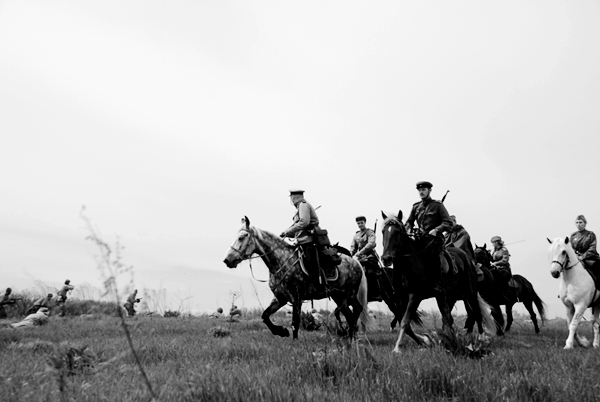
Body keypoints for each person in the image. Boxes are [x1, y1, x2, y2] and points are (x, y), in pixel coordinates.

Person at [404, 181, 453, 292]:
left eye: (424, 190)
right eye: (420, 190)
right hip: (419, 239)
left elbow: (448, 222)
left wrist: (436, 229)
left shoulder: (438, 205)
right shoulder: (416, 206)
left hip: (434, 240)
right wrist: (407, 229)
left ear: (429, 191)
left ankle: (437, 283)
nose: (421, 192)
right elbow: (409, 222)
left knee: (432, 255)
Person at [280, 189, 324, 287]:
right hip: (302, 240)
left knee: (309, 262)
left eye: (291, 197)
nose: (291, 199)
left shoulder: (303, 205)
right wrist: (287, 233)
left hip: (309, 240)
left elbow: (304, 223)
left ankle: (317, 285)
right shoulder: (300, 208)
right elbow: (299, 228)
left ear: (294, 197)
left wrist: (288, 231)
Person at [351, 216, 382, 302]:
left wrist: (360, 252)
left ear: (365, 222)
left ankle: (375, 293)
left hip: (370, 257)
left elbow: (370, 244)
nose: (360, 225)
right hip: (360, 259)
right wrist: (349, 256)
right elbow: (353, 247)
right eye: (358, 223)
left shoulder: (370, 232)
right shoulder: (356, 235)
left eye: (362, 223)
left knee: (370, 273)